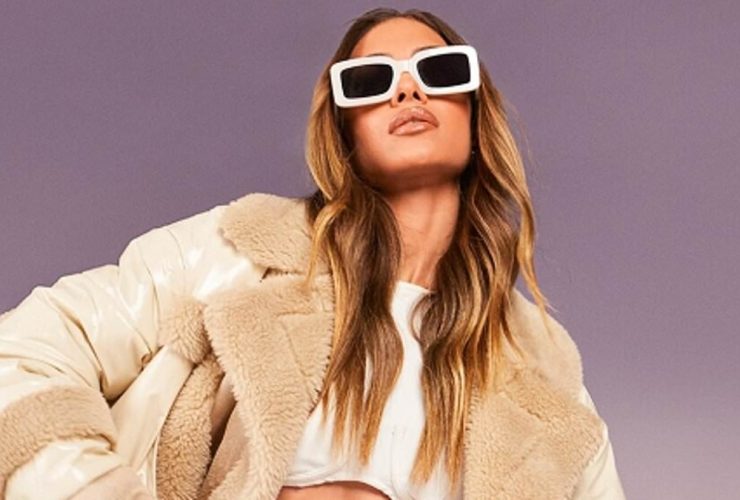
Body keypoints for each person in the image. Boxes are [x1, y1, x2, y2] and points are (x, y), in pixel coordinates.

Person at [0, 7, 626, 500]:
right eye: (370, 81)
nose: (407, 92)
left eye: (439, 71)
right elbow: (25, 351)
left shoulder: (542, 372)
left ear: (475, 107)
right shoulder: (238, 254)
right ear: (343, 127)